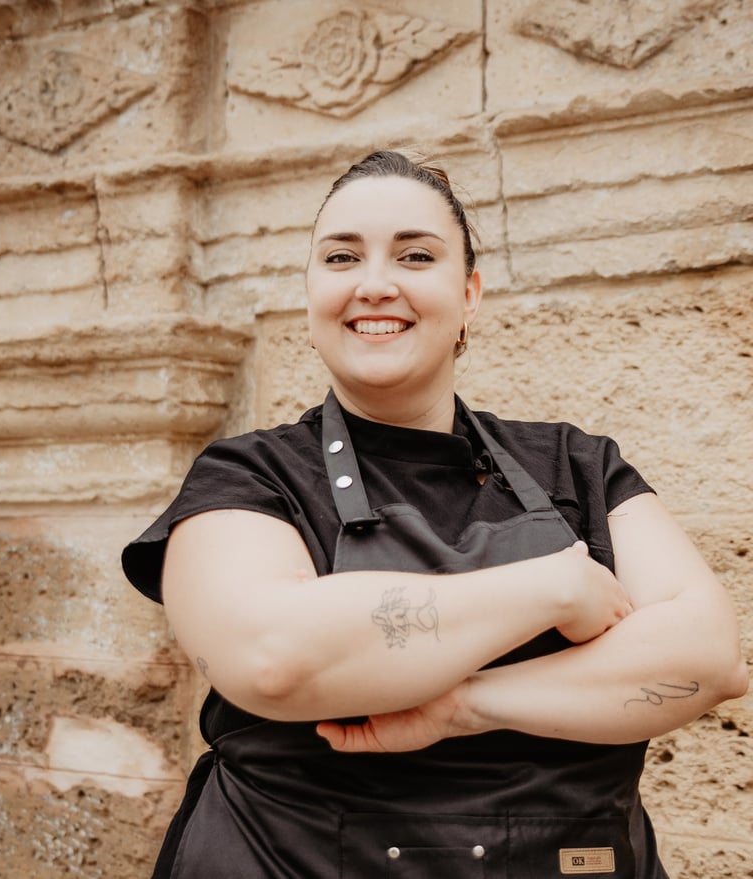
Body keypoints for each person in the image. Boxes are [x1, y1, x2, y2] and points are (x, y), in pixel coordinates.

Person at [122, 149, 748, 879]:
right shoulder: (248, 475)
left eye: (415, 255)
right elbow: (273, 658)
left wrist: (466, 704)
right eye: (342, 257)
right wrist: (554, 589)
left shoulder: (576, 464)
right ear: (311, 290)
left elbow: (709, 656)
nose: (375, 284)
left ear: (470, 294)